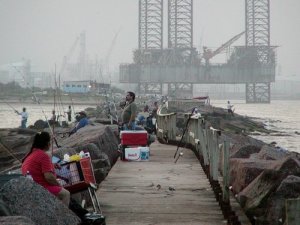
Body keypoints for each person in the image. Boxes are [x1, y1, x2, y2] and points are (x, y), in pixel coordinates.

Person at [21, 131, 70, 206]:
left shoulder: (30, 155)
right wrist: (59, 185)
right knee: (66, 194)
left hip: (32, 188)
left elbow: (37, 168)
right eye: (49, 141)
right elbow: (49, 177)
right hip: (42, 188)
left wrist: (52, 165)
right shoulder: (44, 155)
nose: (50, 144)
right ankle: (63, 216)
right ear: (46, 143)